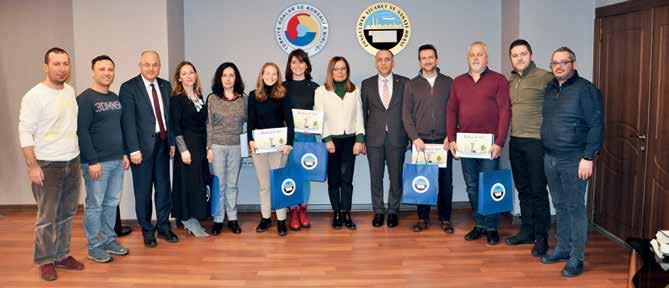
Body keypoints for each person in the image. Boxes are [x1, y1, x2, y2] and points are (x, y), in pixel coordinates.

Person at [18, 47, 84, 281]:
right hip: (47, 164)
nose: (62, 68)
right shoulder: (34, 96)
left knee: (67, 213)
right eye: (56, 64)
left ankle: (62, 254)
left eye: (65, 63)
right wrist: (32, 166)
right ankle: (45, 260)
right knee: (47, 216)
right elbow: (25, 132)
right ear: (46, 66)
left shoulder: (69, 91)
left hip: (72, 160)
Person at [539, 47, 603, 277]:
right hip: (550, 157)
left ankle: (577, 257)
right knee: (560, 205)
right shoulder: (549, 88)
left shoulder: (586, 90)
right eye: (555, 62)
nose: (558, 66)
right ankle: (563, 248)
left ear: (573, 64)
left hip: (574, 159)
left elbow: (596, 124)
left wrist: (588, 157)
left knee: (575, 207)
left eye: (564, 62)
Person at [447, 41, 511, 245]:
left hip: (490, 144)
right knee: (472, 186)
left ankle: (492, 227)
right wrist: (452, 139)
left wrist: (500, 142)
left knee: (489, 185)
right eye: (472, 55)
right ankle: (480, 224)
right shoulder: (458, 82)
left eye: (480, 54)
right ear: (468, 58)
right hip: (465, 144)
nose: (475, 58)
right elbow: (451, 111)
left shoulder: (499, 80)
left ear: (487, 58)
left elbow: (504, 112)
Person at [119, 51, 178, 247]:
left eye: (155, 65)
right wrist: (133, 149)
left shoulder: (165, 85)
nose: (151, 68)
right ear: (140, 65)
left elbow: (168, 117)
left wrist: (171, 142)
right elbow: (127, 122)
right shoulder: (128, 88)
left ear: (159, 66)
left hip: (162, 145)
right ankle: (147, 230)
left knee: (163, 190)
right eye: (147, 65)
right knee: (143, 192)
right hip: (141, 150)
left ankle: (163, 227)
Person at [77, 55, 130, 263]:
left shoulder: (114, 98)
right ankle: (94, 245)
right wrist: (92, 161)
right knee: (95, 205)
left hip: (117, 160)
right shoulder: (85, 99)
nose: (107, 73)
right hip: (96, 163)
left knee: (111, 203)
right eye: (102, 69)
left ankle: (109, 240)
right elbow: (82, 132)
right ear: (93, 72)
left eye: (110, 69)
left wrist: (124, 153)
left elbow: (120, 128)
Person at [506, 39, 554, 256]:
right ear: (511, 59)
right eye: (515, 55)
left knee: (537, 191)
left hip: (536, 143)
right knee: (523, 189)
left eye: (523, 54)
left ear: (531, 55)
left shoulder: (545, 77)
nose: (519, 58)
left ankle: (541, 237)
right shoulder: (511, 80)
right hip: (515, 141)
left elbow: (557, 106)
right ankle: (527, 231)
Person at [402, 44, 454, 233]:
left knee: (445, 183)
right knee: (422, 180)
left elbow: (454, 111)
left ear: (437, 59)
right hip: (421, 142)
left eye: (431, 57)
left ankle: (445, 218)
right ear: (419, 61)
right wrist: (414, 138)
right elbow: (406, 115)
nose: (427, 61)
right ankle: (422, 218)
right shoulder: (411, 84)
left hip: (443, 141)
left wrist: (451, 135)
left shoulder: (449, 82)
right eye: (423, 58)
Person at [314, 56, 365, 230]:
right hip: (331, 142)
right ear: (331, 71)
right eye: (336, 69)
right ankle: (336, 213)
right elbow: (319, 117)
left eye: (343, 68)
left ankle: (346, 213)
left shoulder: (354, 90)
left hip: (350, 140)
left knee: (347, 179)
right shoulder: (321, 91)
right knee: (334, 180)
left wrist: (360, 139)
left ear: (347, 71)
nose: (340, 72)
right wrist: (327, 139)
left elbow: (359, 116)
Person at [361, 49, 409, 228]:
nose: (383, 63)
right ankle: (378, 211)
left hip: (398, 138)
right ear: (375, 63)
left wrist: (410, 137)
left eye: (387, 59)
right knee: (376, 178)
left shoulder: (405, 83)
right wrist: (363, 138)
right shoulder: (367, 84)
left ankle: (393, 211)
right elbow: (363, 114)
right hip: (374, 139)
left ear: (393, 62)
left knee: (396, 177)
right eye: (380, 60)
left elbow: (409, 112)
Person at [247, 62, 294, 236]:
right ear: (262, 75)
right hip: (259, 146)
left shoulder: (282, 95)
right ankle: (266, 218)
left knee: (278, 183)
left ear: (278, 76)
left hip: (278, 147)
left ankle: (281, 220)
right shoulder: (253, 96)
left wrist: (289, 143)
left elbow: (290, 121)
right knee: (264, 184)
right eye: (267, 73)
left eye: (274, 74)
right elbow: (250, 121)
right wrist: (250, 140)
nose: (271, 77)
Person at [170, 61, 210, 237]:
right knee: (187, 182)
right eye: (184, 73)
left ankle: (194, 216)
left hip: (200, 144)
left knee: (198, 181)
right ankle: (186, 218)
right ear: (179, 78)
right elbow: (176, 126)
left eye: (191, 72)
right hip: (186, 146)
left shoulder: (199, 96)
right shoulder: (177, 99)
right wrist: (183, 150)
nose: (188, 76)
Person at [207, 62, 246, 235]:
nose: (228, 79)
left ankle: (232, 218)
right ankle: (217, 219)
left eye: (231, 75)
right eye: (224, 75)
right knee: (219, 185)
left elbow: (250, 123)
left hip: (236, 146)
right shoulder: (212, 99)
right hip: (217, 146)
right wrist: (208, 147)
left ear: (236, 78)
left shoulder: (244, 99)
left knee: (232, 185)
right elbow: (209, 125)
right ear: (219, 78)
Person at [283, 49, 319, 231]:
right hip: (289, 138)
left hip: (308, 137)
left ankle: (303, 209)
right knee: (290, 174)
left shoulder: (315, 88)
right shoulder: (282, 87)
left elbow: (320, 114)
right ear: (289, 66)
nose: (297, 66)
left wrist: (313, 127)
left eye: (301, 62)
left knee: (305, 176)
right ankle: (293, 211)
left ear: (307, 65)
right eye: (293, 62)